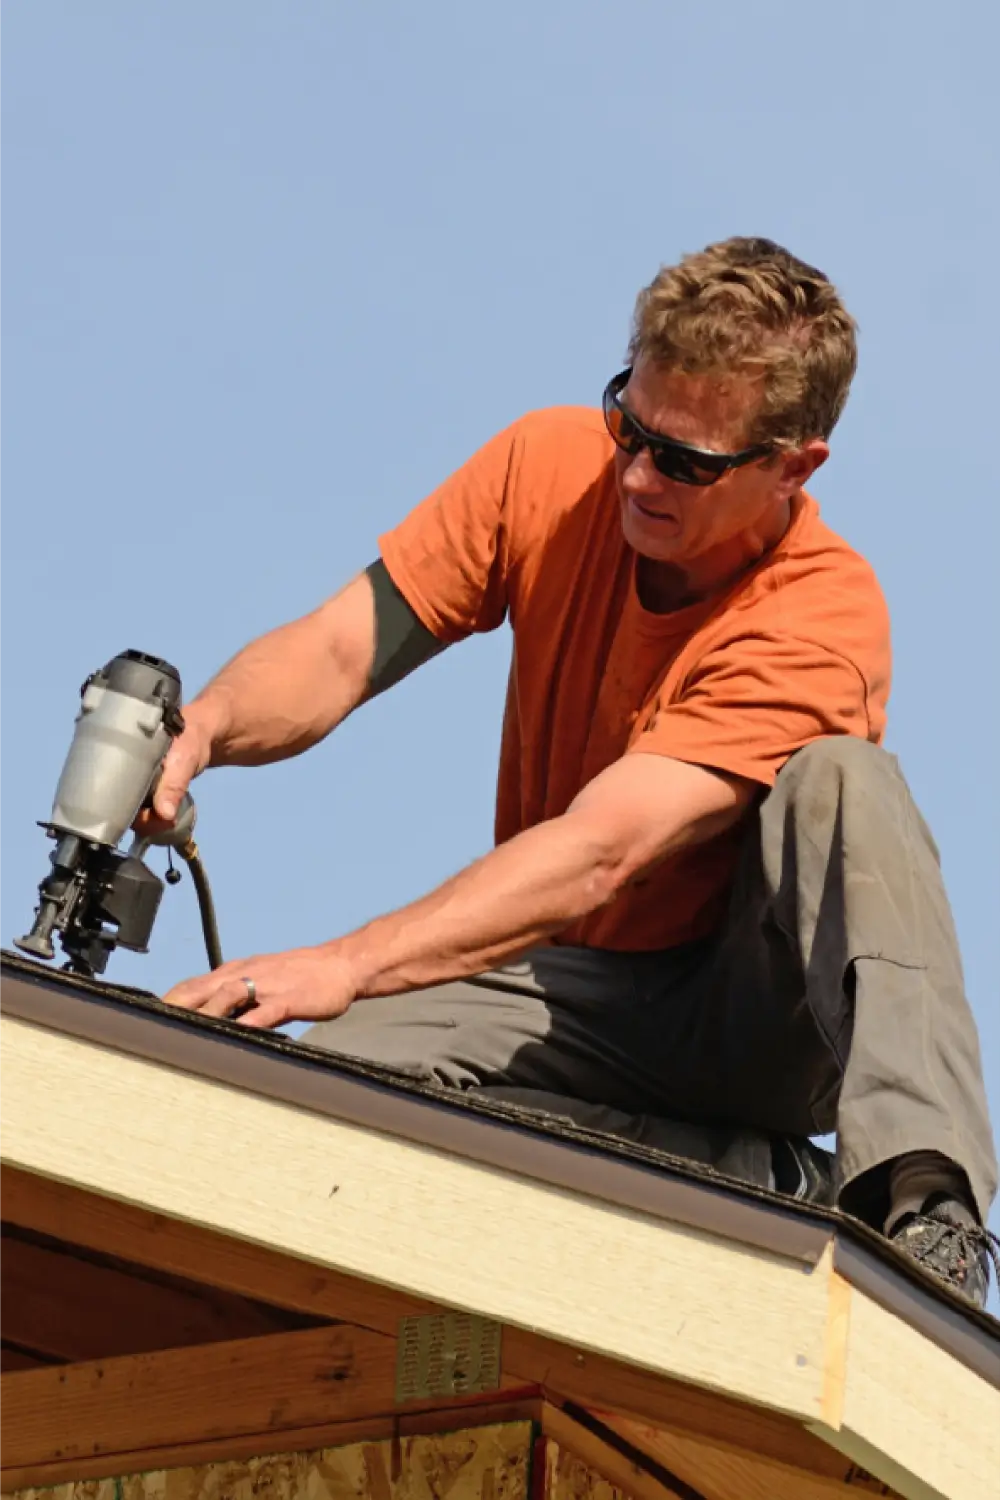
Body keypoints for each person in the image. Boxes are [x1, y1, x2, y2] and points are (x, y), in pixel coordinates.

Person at [157, 237, 999, 1305]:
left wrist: (346, 959)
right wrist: (205, 724)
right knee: (338, 1086)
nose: (637, 475)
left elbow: (604, 850)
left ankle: (920, 1204)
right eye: (629, 426)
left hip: (743, 1008)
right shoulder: (551, 469)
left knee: (844, 782)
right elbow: (338, 648)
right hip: (575, 984)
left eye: (685, 462)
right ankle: (756, 1180)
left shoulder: (821, 617)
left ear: (792, 465)